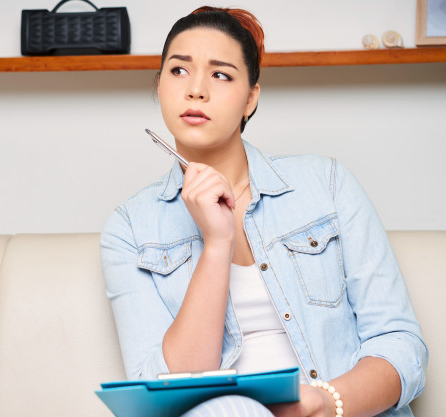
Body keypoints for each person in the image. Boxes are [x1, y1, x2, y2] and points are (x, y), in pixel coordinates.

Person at [100, 6, 428, 417]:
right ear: (159, 85)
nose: (196, 89)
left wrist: (324, 403)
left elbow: (400, 346)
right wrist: (218, 243)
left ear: (250, 98)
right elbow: (166, 390)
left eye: (220, 74)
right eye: (179, 70)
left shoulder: (326, 184)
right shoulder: (130, 228)